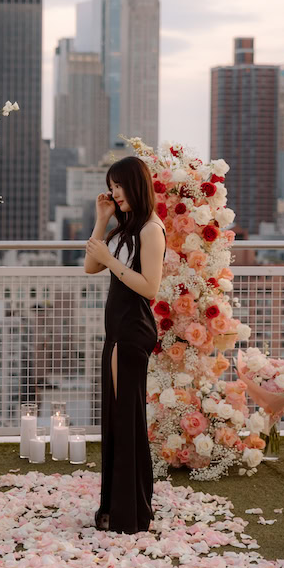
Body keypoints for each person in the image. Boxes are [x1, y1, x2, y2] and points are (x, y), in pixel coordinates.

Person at [84, 156, 167, 534]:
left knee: (126, 419)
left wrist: (110, 260)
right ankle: (119, 507)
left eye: (119, 186)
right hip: (117, 330)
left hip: (132, 329)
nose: (114, 193)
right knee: (119, 418)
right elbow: (90, 267)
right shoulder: (126, 227)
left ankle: (130, 512)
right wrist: (101, 220)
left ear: (135, 185)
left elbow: (150, 288)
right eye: (111, 186)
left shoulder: (151, 229)